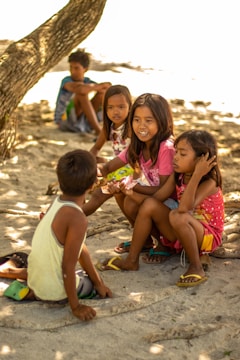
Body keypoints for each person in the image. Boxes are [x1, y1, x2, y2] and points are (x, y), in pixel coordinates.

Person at [97, 130, 224, 288]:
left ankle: (196, 267)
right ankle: (131, 260)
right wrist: (128, 192)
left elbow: (185, 208)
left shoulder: (209, 181)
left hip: (206, 236)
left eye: (182, 154)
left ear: (201, 160)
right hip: (182, 229)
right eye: (176, 151)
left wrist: (197, 175)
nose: (175, 157)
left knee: (178, 215)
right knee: (150, 206)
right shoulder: (178, 175)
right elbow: (155, 200)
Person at [0, 149, 112, 321]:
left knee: (23, 256)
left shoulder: (57, 202)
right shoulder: (78, 219)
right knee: (87, 282)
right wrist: (77, 306)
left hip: (36, 283)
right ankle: (45, 290)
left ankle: (19, 277)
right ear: (92, 186)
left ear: (60, 181)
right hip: (54, 293)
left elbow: (79, 247)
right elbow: (68, 267)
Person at [96, 93, 176, 252]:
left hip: (173, 207)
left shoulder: (166, 148)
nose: (141, 126)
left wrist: (132, 188)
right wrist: (91, 173)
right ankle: (145, 241)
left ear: (162, 121)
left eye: (149, 120)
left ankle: (165, 245)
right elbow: (108, 167)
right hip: (156, 199)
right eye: (136, 120)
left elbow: (164, 191)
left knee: (131, 198)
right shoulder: (138, 145)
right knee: (122, 196)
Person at [83, 84, 133, 216]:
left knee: (99, 195)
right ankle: (77, 205)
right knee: (86, 172)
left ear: (130, 107)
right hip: (117, 165)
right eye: (110, 107)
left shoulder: (131, 128)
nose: (115, 111)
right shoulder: (109, 127)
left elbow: (134, 158)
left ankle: (76, 214)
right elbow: (95, 148)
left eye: (121, 107)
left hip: (132, 168)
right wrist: (87, 164)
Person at [54, 48, 111, 135]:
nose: (72, 71)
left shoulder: (88, 82)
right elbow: (81, 89)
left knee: (102, 94)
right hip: (64, 121)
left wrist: (98, 87)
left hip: (81, 121)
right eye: (71, 67)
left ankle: (108, 125)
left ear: (85, 69)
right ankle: (98, 131)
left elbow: (107, 87)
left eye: (76, 68)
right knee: (81, 94)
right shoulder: (66, 81)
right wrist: (98, 86)